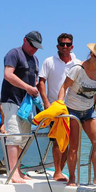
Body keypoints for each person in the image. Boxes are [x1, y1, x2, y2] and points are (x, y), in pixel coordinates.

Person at [57, 41, 96, 187]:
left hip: (88, 111)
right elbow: (64, 87)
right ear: (92, 55)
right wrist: (59, 105)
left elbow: (95, 93)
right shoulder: (78, 69)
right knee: (74, 146)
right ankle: (71, 178)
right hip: (72, 110)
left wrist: (95, 109)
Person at [38, 33, 80, 182]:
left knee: (67, 141)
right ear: (57, 46)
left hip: (73, 107)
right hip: (55, 106)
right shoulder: (49, 61)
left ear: (72, 46)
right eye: (62, 44)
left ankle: (61, 172)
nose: (65, 47)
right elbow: (41, 81)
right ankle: (56, 172)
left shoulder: (78, 63)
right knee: (58, 139)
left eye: (68, 44)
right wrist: (45, 103)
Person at [1, 31, 42, 183]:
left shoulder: (36, 59)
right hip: (11, 100)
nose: (34, 49)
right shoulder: (14, 53)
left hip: (26, 104)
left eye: (37, 47)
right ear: (25, 40)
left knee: (24, 138)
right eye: (32, 46)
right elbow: (8, 74)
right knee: (14, 137)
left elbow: (34, 80)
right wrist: (27, 87)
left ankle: (18, 169)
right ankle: (12, 173)